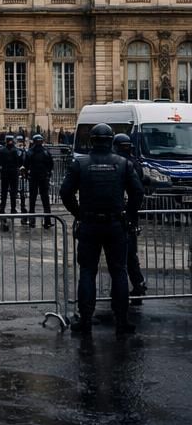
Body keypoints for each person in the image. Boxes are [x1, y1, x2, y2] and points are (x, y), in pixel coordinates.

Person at [61, 123, 143, 335]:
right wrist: (129, 216)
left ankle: (86, 319)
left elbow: (65, 193)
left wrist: (78, 213)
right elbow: (138, 193)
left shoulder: (81, 164)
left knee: (87, 272)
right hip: (116, 224)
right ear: (111, 141)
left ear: (92, 140)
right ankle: (122, 321)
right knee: (119, 271)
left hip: (89, 223)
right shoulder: (123, 164)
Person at [112, 132, 150, 301]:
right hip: (130, 215)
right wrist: (132, 214)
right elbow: (139, 188)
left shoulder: (116, 163)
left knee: (117, 257)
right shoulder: (135, 163)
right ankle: (138, 283)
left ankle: (119, 291)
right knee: (130, 253)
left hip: (117, 213)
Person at [23, 133, 54, 228]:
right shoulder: (46, 152)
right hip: (43, 178)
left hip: (33, 178)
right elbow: (51, 165)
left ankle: (32, 221)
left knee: (32, 199)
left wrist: (27, 174)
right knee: (45, 200)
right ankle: (47, 221)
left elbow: (25, 165)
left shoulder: (30, 152)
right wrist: (48, 173)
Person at [0, 134, 23, 230]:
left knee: (6, 192)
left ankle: (4, 208)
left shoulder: (2, 150)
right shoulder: (16, 151)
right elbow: (20, 161)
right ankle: (12, 208)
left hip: (7, 173)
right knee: (12, 192)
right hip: (12, 174)